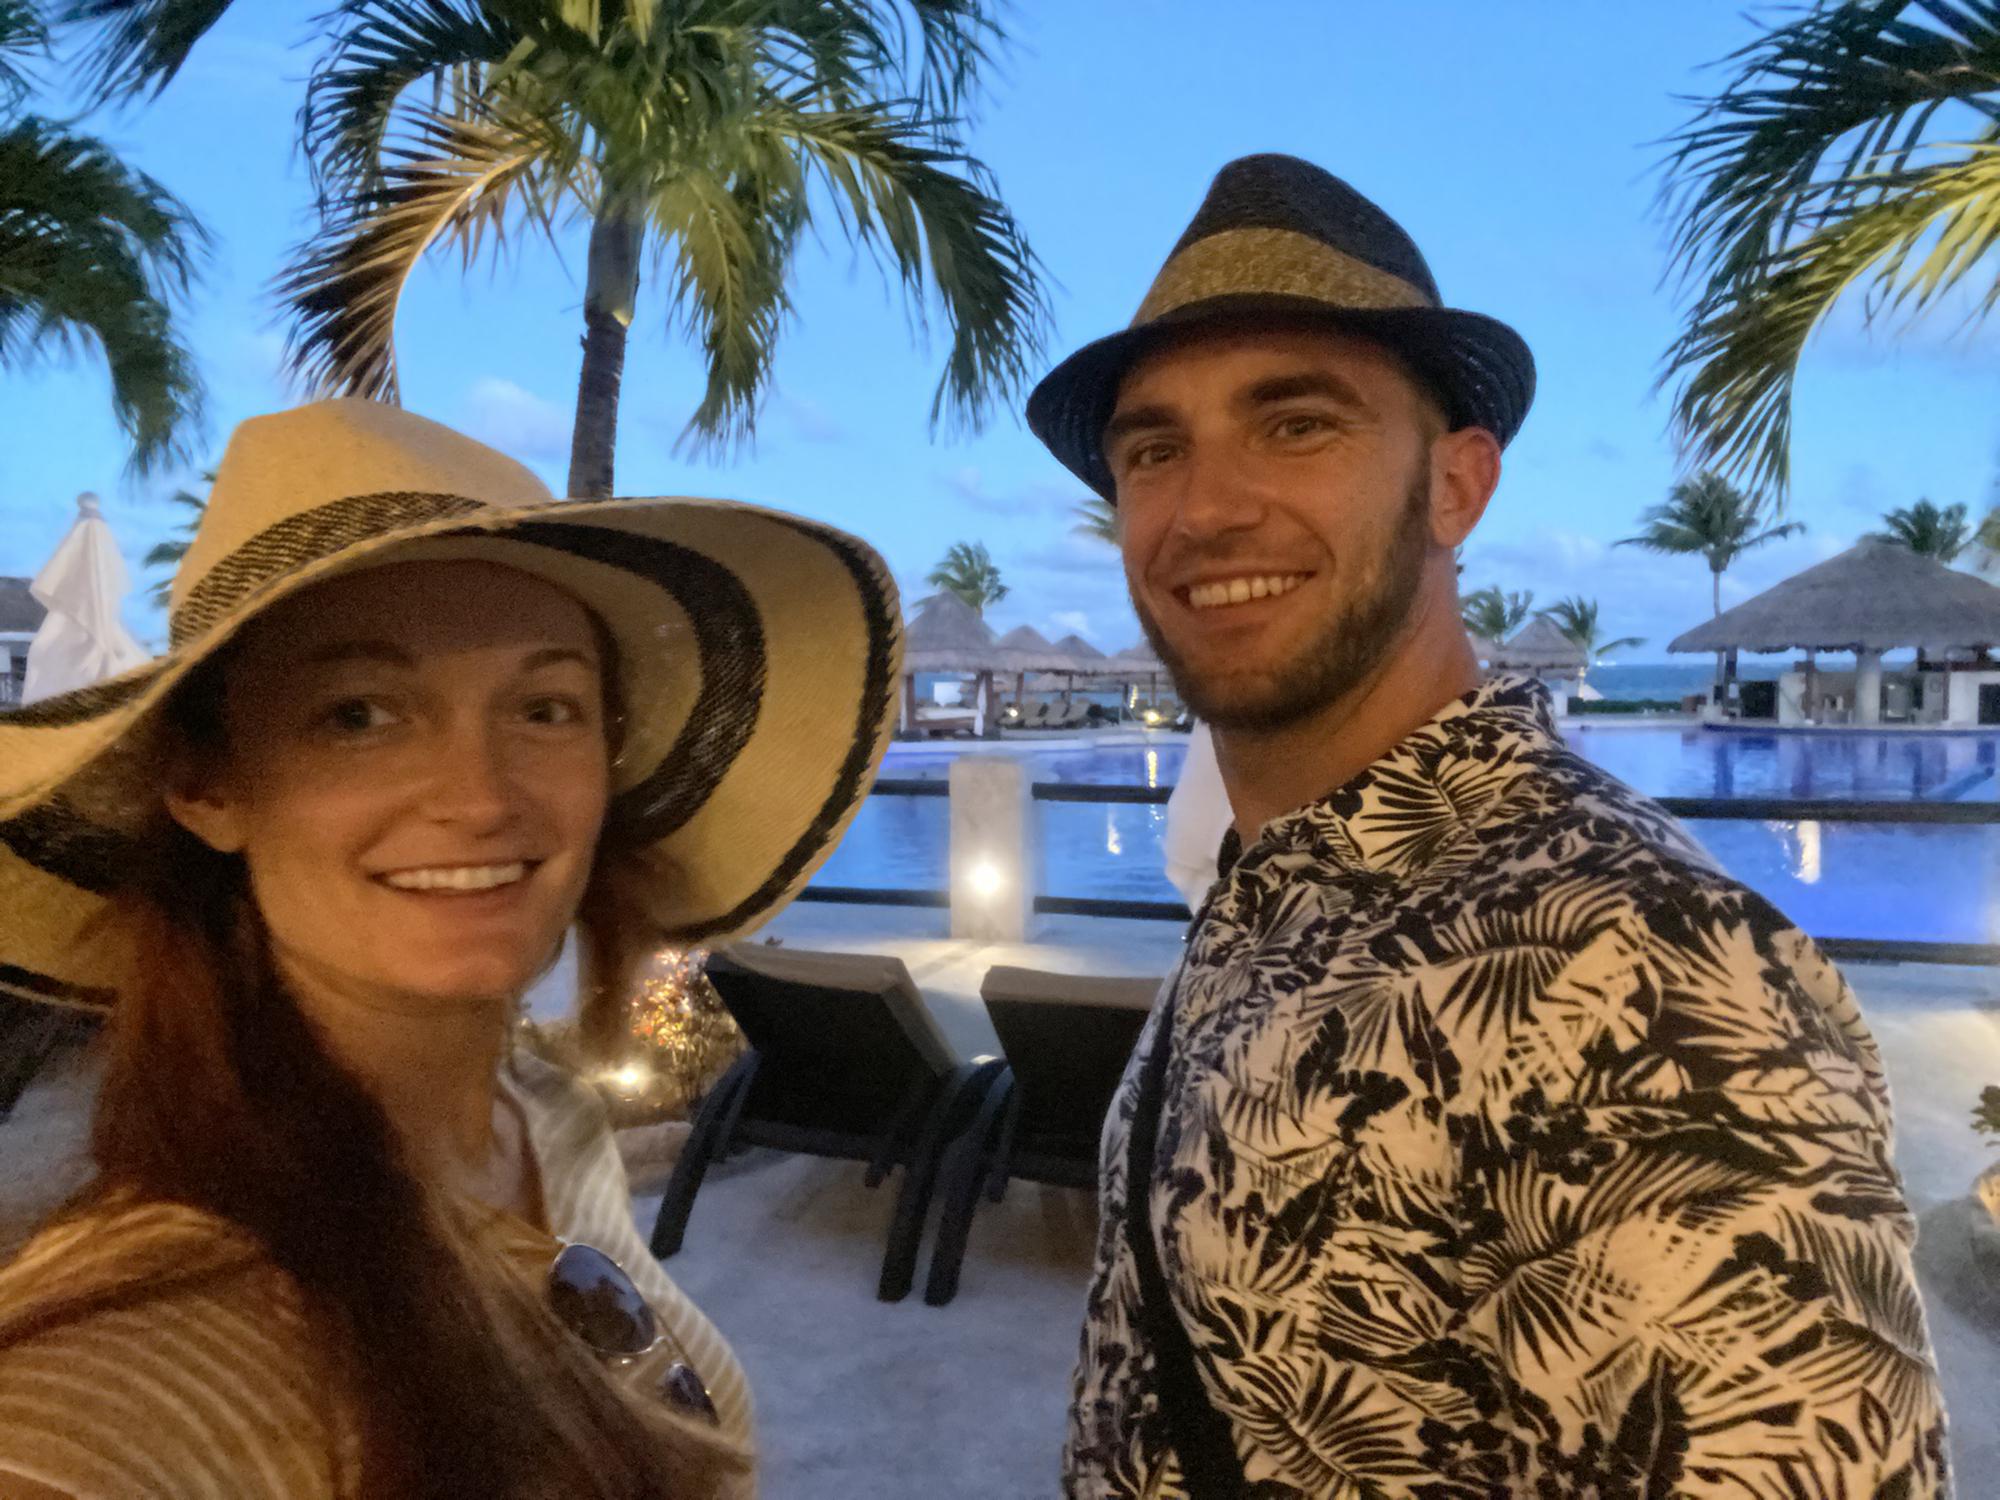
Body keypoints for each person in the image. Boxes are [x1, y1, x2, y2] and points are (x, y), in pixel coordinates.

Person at [1027, 154, 1949, 1498]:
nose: (1206, 508)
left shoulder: (1645, 975)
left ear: (1457, 487)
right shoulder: (1271, 873)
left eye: (1297, 425)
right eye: (1155, 450)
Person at [0, 399, 902, 1499]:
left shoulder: (544, 1120)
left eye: (545, 708)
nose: (479, 800)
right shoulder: (120, 1377)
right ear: (207, 784)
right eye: (359, 715)